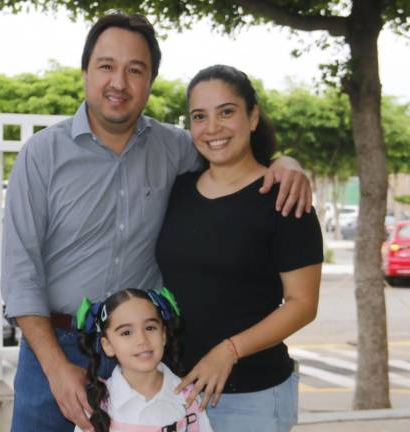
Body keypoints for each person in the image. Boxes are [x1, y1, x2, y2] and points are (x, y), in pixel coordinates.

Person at [1, 12, 313, 432]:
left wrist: (286, 164)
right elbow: (20, 274)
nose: (119, 82)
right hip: (56, 351)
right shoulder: (41, 155)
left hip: (146, 355)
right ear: (85, 72)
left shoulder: (176, 148)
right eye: (106, 66)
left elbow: (232, 154)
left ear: (150, 81)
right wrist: (56, 367)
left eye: (135, 70)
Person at [155, 65, 324, 431]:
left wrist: (228, 351)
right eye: (200, 116)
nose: (212, 128)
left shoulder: (285, 198)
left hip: (252, 396)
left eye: (226, 111)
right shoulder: (179, 190)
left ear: (253, 116)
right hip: (176, 391)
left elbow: (302, 305)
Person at [73, 288, 213, 432]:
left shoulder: (188, 398)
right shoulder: (96, 404)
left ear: (163, 335)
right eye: (126, 332)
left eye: (150, 328)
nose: (142, 340)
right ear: (107, 345)